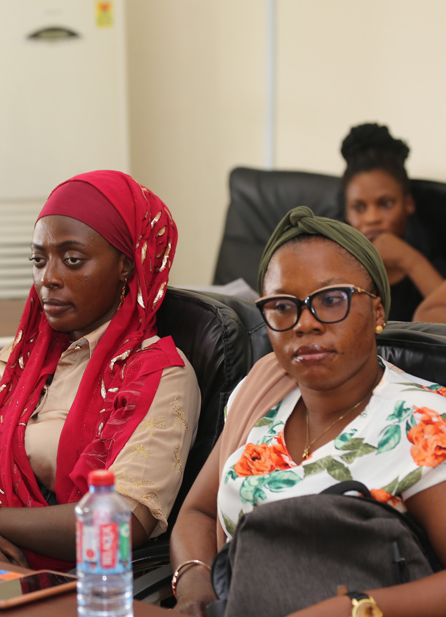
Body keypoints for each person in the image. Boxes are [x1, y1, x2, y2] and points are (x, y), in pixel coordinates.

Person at [0, 170, 201, 570]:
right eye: (38, 260)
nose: (47, 279)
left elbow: (114, 527)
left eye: (72, 260)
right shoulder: (21, 362)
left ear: (126, 264)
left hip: (87, 588)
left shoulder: (158, 375)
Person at [170, 207, 446, 617]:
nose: (304, 324)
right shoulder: (261, 388)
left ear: (378, 313)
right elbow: (198, 511)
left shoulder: (422, 420)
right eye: (283, 306)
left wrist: (355, 608)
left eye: (331, 299)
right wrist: (194, 582)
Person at [341, 122, 446, 322]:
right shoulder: (333, 267)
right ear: (346, 212)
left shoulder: (434, 265)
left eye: (386, 204)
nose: (372, 219)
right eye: (359, 208)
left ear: (408, 204)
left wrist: (410, 261)